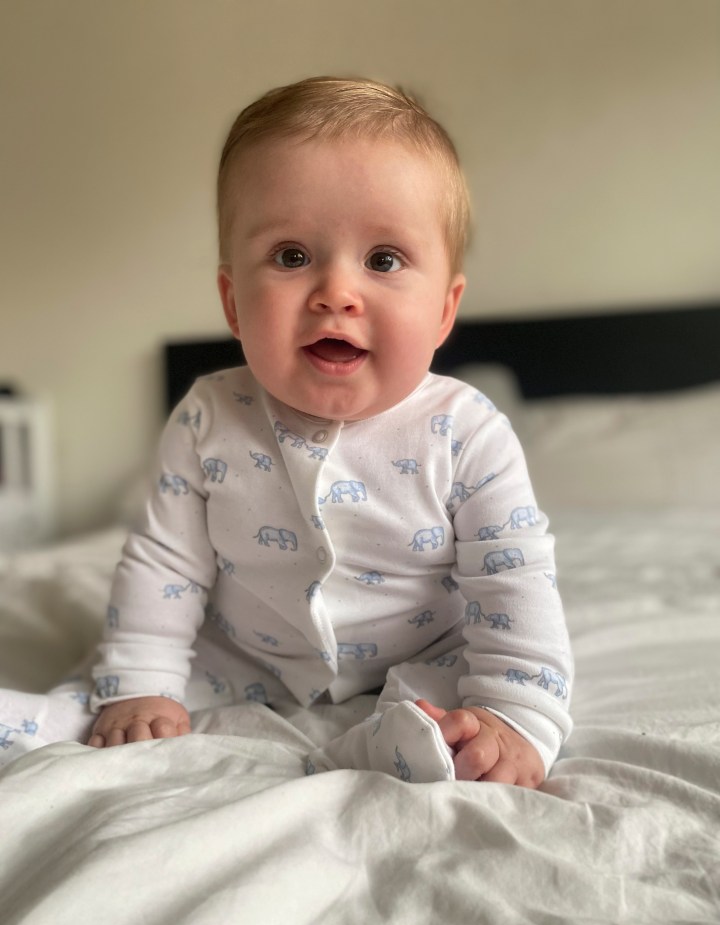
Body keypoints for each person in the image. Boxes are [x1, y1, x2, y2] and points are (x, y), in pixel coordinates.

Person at [88, 76, 572, 787]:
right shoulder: (208, 415)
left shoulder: (467, 433)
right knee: (87, 708)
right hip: (247, 659)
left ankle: (394, 746)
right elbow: (166, 565)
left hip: (424, 655)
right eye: (291, 257)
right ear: (232, 301)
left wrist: (517, 715)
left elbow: (514, 583)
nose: (336, 293)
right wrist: (140, 680)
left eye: (383, 260)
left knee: (453, 732)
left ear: (444, 310)